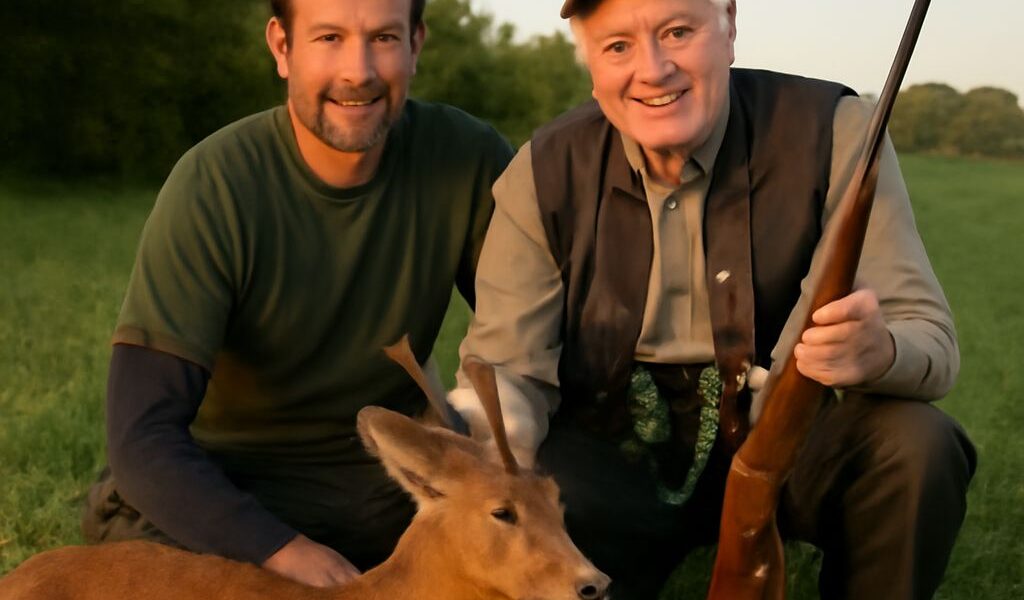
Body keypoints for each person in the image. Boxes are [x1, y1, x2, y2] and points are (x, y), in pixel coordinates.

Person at [449, 0, 976, 598]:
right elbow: (506, 371)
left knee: (918, 446)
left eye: (678, 31)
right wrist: (490, 443)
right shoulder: (540, 171)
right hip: (610, 454)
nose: (653, 70)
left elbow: (930, 337)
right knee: (540, 497)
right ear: (591, 64)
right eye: (617, 46)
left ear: (729, 26)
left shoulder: (838, 129)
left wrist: (876, 352)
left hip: (785, 437)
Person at [80, 0, 512, 588]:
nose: (357, 71)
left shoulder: (467, 157)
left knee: (542, 533)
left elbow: (537, 334)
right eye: (329, 37)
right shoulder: (214, 185)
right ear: (282, 48)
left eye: (383, 37)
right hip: (220, 481)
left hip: (378, 483)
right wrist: (280, 550)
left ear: (416, 45)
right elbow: (141, 435)